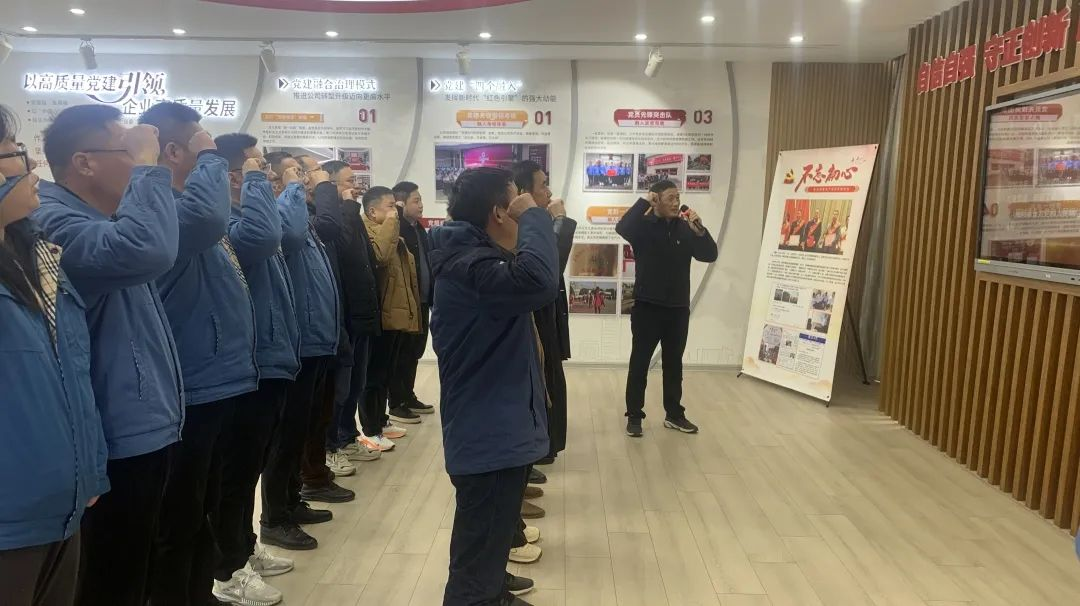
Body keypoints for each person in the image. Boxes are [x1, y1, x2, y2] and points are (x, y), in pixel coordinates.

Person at [34, 104, 182, 606]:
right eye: (128, 149)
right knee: (109, 578)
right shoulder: (53, 221)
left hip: (139, 424)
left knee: (134, 566)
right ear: (85, 162)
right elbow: (147, 249)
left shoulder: (103, 218)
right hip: (112, 437)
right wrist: (149, 167)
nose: (142, 158)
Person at [137, 101, 258, 606]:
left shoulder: (188, 204)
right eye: (202, 145)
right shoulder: (165, 209)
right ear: (172, 151)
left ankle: (199, 591)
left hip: (216, 379)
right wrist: (212, 157)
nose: (214, 158)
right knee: (179, 514)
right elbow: (208, 220)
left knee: (201, 504)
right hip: (189, 383)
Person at [430, 167, 557, 606]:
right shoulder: (472, 268)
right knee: (478, 547)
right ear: (500, 213)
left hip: (497, 426)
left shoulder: (477, 259)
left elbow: (542, 273)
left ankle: (493, 590)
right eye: (517, 201)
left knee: (491, 536)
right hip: (487, 433)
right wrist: (536, 216)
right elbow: (540, 281)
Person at [0, 110, 110, 606]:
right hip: (10, 515)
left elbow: (72, 372)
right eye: (14, 152)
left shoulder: (39, 256)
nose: (31, 167)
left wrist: (88, 469)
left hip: (62, 502)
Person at [209, 133, 306, 606]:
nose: (267, 174)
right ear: (234, 176)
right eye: (256, 167)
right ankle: (227, 570)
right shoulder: (224, 222)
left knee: (249, 467)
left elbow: (287, 234)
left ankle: (243, 549)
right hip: (249, 364)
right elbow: (264, 238)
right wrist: (256, 186)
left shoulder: (248, 213)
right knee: (235, 472)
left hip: (269, 356)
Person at [259, 156, 341, 552]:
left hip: (316, 339)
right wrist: (293, 187)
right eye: (294, 173)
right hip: (298, 343)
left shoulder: (299, 216)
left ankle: (292, 501)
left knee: (301, 430)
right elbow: (289, 236)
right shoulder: (278, 218)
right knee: (286, 434)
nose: (304, 180)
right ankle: (275, 517)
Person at [616, 180, 717, 438]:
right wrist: (643, 202)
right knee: (640, 363)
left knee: (674, 364)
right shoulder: (643, 226)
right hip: (647, 308)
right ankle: (634, 416)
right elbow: (622, 227)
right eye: (670, 198)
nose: (675, 203)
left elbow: (709, 255)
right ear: (656, 200)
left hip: (678, 310)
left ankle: (674, 414)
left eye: (677, 198)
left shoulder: (685, 228)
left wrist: (700, 231)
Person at [292, 160, 359, 503]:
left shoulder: (310, 217)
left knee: (326, 406)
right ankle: (305, 483)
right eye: (300, 173)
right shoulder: (292, 218)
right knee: (302, 421)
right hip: (306, 334)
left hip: (329, 325)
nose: (307, 179)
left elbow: (343, 244)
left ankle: (315, 475)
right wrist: (325, 189)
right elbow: (332, 228)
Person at [512, 161, 574, 464]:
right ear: (524, 193)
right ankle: (538, 450)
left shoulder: (532, 226)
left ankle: (544, 448)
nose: (549, 192)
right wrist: (560, 221)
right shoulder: (517, 229)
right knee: (543, 384)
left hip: (547, 316)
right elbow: (550, 268)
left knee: (551, 381)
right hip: (534, 320)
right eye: (543, 185)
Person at [323, 167, 384, 475]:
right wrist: (348, 206)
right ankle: (330, 446)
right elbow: (344, 246)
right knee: (339, 388)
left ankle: (347, 436)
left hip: (359, 314)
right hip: (341, 317)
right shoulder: (330, 219)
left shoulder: (349, 215)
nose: (356, 187)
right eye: (349, 181)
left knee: (356, 383)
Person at [360, 184, 422, 452]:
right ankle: (370, 429)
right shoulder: (369, 232)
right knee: (373, 376)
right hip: (380, 317)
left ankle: (381, 421)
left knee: (386, 373)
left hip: (396, 315)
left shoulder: (392, 232)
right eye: (390, 206)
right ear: (372, 211)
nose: (395, 211)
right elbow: (381, 256)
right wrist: (391, 224)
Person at [390, 181, 437, 417]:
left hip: (422, 301)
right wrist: (396, 211)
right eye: (415, 201)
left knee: (415, 352)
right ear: (401, 203)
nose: (421, 205)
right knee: (401, 353)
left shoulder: (418, 228)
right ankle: (396, 402)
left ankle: (408, 396)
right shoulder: (397, 228)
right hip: (406, 302)